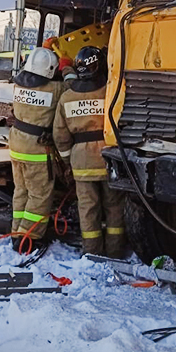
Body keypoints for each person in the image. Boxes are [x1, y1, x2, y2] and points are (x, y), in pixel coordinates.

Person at [53, 46, 125, 258]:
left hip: (81, 161)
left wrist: (68, 160)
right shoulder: (111, 91)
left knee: (87, 208)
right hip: (109, 158)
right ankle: (115, 250)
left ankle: (92, 252)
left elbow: (60, 134)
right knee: (114, 206)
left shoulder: (67, 97)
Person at [9, 48, 70, 251]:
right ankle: (30, 238)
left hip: (16, 146)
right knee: (39, 194)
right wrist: (68, 68)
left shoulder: (18, 85)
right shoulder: (55, 88)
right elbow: (73, 88)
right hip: (36, 150)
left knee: (21, 191)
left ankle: (17, 232)